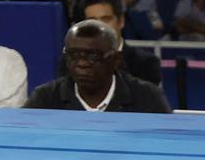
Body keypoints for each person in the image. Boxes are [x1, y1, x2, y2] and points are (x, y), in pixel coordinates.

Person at [25, 20, 173, 112]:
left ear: (116, 59)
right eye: (74, 55)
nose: (82, 64)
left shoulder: (148, 98)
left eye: (92, 56)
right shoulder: (44, 99)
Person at [61, 0, 161, 84]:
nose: (100, 27)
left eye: (106, 19)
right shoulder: (69, 63)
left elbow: (143, 101)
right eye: (92, 21)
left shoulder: (146, 63)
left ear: (121, 21)